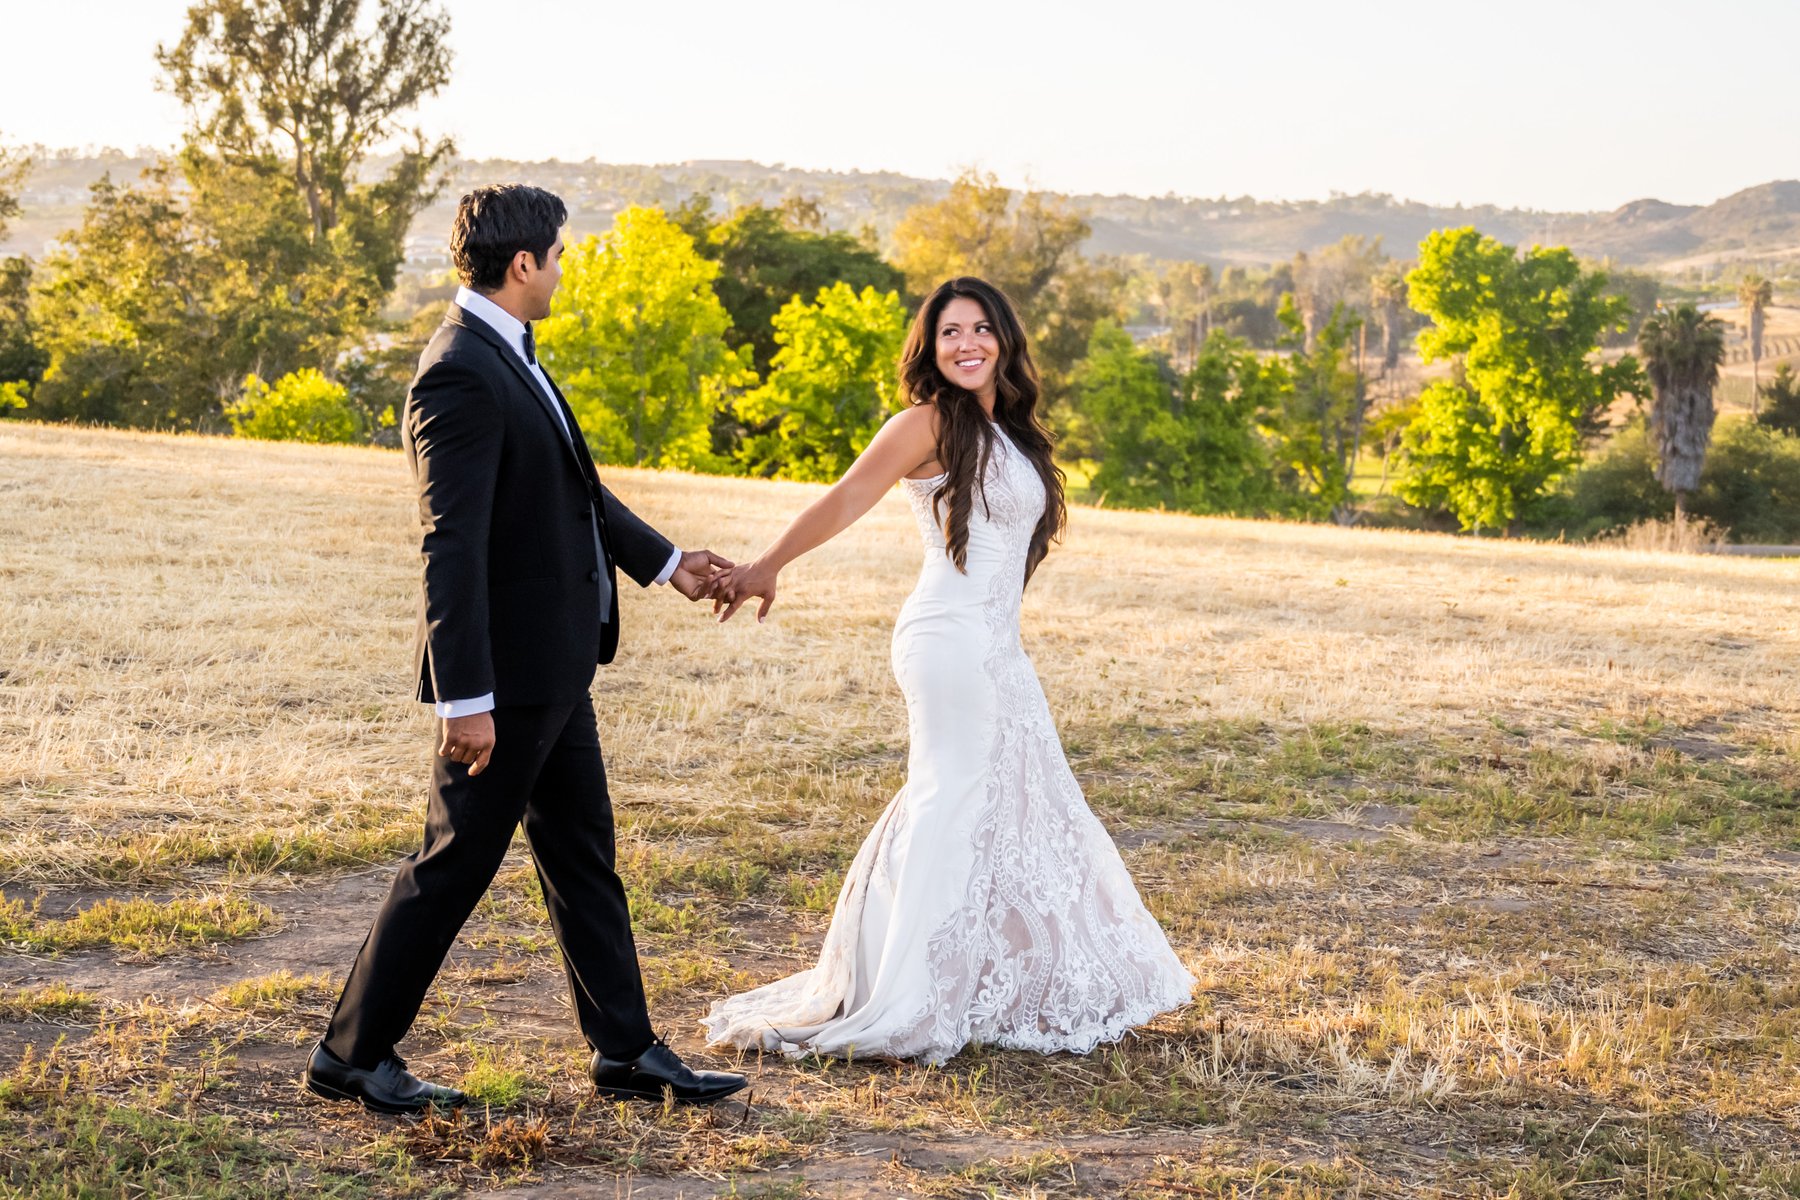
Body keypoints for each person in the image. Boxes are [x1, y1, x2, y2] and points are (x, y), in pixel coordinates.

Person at [304, 184, 746, 1113]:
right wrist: (463, 697)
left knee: (583, 853)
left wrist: (671, 565)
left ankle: (625, 1049)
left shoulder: (511, 354)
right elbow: (449, 543)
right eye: (556, 257)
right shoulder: (459, 370)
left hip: (556, 671)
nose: (560, 270)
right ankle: (352, 1052)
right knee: (454, 861)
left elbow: (578, 493)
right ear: (522, 265)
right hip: (502, 686)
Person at [701, 277, 1194, 1064]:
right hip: (945, 639)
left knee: (1016, 797)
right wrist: (767, 564)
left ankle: (971, 976)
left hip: (995, 644)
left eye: (980, 329)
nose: (967, 344)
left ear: (1005, 339)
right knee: (953, 798)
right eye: (949, 333)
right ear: (930, 350)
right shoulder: (924, 423)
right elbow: (843, 498)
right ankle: (906, 994)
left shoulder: (1016, 434)